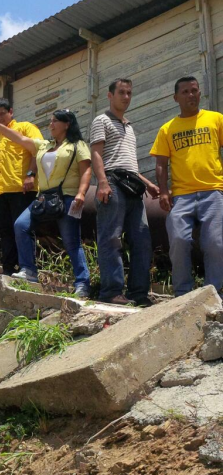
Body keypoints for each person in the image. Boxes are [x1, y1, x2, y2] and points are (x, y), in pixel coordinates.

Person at [0, 110, 92, 297]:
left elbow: (86, 171)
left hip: (67, 198)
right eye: (51, 121)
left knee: (71, 241)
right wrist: (0, 127)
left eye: (55, 121)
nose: (51, 124)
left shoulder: (77, 145)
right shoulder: (44, 145)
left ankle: (82, 283)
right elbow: (19, 139)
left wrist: (81, 193)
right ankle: (29, 270)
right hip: (43, 198)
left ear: (67, 124)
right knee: (21, 225)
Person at [150, 76, 223, 297]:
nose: (191, 95)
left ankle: (214, 294)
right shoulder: (167, 129)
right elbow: (161, 163)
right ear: (176, 98)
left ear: (200, 93)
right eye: (185, 92)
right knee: (179, 241)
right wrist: (163, 191)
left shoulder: (216, 119)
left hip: (213, 192)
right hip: (181, 196)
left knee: (216, 244)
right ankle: (182, 294)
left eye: (194, 90)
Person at [91, 78, 159, 306]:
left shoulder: (129, 127)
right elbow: (98, 154)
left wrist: (147, 183)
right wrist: (102, 182)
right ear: (110, 96)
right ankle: (111, 292)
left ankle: (138, 293)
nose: (126, 97)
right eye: (121, 92)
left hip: (132, 187)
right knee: (111, 238)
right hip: (112, 182)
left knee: (141, 239)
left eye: (129, 93)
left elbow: (128, 164)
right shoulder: (101, 120)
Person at [0, 98, 41, 276]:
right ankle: (9, 269)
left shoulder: (25, 128)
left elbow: (37, 151)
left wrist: (30, 175)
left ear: (11, 111)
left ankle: (28, 268)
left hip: (22, 189)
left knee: (23, 229)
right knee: (4, 232)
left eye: (3, 113)